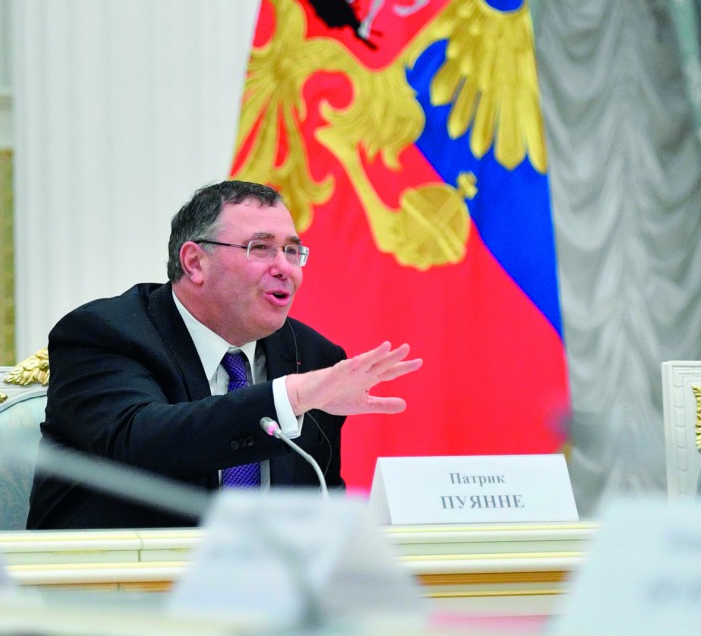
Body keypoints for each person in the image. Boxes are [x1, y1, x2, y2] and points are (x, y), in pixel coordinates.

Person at [27, 181, 421, 529]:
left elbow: (318, 501)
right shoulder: (104, 332)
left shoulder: (312, 356)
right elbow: (139, 443)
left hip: (266, 599)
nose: (285, 268)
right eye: (261, 248)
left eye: (292, 250)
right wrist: (290, 398)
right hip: (113, 593)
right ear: (195, 262)